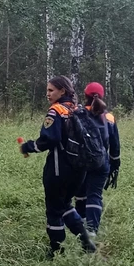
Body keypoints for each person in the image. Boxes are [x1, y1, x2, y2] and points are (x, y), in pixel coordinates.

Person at [19, 76, 97, 255]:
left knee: (54, 209)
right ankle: (87, 242)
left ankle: (56, 250)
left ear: (63, 91)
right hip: (80, 170)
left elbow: (50, 139)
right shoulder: (79, 110)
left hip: (59, 169)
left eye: (51, 90)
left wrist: (29, 146)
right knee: (65, 205)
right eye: (47, 90)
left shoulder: (56, 111)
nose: (47, 94)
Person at [75, 82, 120, 235]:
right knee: (94, 194)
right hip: (101, 162)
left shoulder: (77, 113)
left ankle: (79, 223)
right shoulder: (109, 117)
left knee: (80, 193)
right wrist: (114, 164)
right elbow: (115, 145)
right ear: (102, 96)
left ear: (85, 95)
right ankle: (92, 229)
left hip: (80, 162)